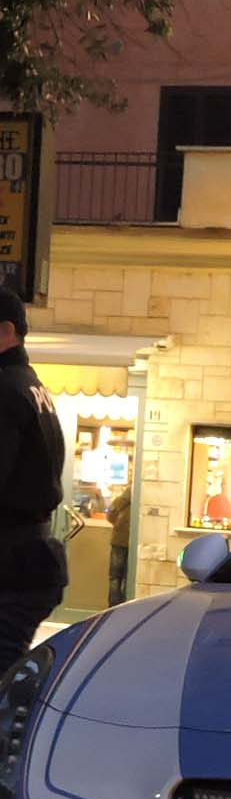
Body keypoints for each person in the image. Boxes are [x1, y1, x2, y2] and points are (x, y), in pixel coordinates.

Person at [0, 287, 67, 670]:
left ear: (6, 332)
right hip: (30, 561)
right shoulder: (30, 385)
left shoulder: (5, 390)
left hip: (11, 565)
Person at [107, 486, 132, 607]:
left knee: (115, 578)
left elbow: (110, 516)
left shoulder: (119, 501)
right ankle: (125, 607)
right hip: (131, 543)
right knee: (129, 577)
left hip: (118, 542)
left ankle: (113, 607)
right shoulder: (140, 503)